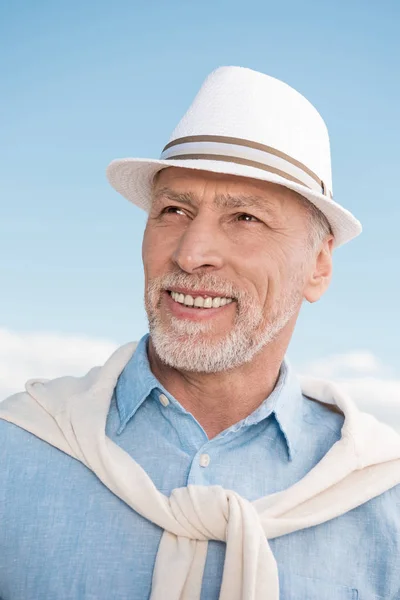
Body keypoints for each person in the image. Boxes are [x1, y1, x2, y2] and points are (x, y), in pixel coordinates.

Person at [1, 66, 399, 600]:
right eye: (173, 210)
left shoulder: (381, 495)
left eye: (245, 218)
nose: (191, 254)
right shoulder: (16, 452)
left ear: (319, 266)